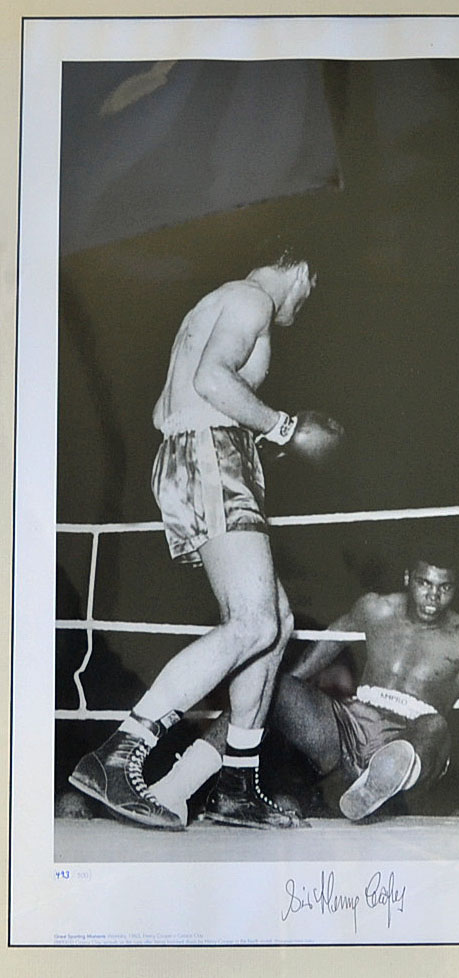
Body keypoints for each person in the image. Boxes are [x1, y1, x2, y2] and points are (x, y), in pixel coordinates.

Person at [69, 256, 343, 830]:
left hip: (203, 457)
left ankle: (233, 782)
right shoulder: (252, 299)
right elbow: (211, 380)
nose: (303, 308)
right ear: (302, 270)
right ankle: (118, 755)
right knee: (252, 624)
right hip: (210, 459)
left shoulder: (216, 302)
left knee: (276, 623)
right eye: (312, 292)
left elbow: (163, 408)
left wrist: (245, 436)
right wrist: (284, 428)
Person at [149, 545, 459, 823]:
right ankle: (180, 783)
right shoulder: (373, 609)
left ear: (456, 590)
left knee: (436, 726)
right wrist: (283, 702)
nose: (432, 597)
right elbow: (303, 672)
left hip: (414, 739)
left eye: (444, 588)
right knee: (269, 687)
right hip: (347, 728)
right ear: (408, 578)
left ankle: (384, 777)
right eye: (424, 583)